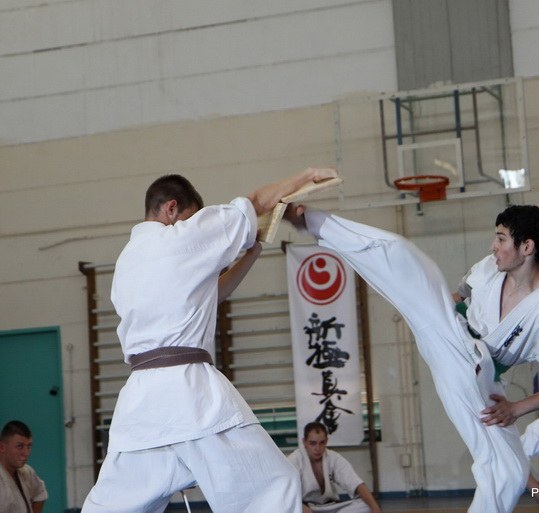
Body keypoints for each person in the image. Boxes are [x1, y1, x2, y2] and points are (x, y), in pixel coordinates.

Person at [283, 204, 539, 513]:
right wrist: (427, 308)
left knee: (509, 470)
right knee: (401, 254)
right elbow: (461, 294)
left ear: (527, 247)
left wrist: (516, 408)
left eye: (501, 239)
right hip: (449, 328)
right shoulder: (491, 267)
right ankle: (308, 220)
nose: (493, 246)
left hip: (476, 375)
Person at [82, 167, 338, 513]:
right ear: (172, 208)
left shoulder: (128, 260)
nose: (193, 224)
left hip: (140, 407)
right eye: (190, 217)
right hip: (190, 395)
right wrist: (304, 176)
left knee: (113, 506)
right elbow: (254, 202)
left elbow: (207, 296)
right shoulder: (181, 236)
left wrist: (250, 254)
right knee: (274, 486)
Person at [288, 422, 382, 513]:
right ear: (304, 442)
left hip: (331, 506)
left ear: (327, 441)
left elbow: (356, 483)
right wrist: (302, 507)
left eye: (322, 443)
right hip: (305, 507)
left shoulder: (333, 457)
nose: (318, 448)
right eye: (313, 443)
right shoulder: (295, 460)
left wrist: (375, 507)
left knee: (366, 505)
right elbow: (286, 492)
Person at [0, 420, 47, 513]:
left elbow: (40, 494)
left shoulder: (27, 471)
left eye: (29, 446)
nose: (26, 453)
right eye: (20, 446)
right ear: (2, 447)